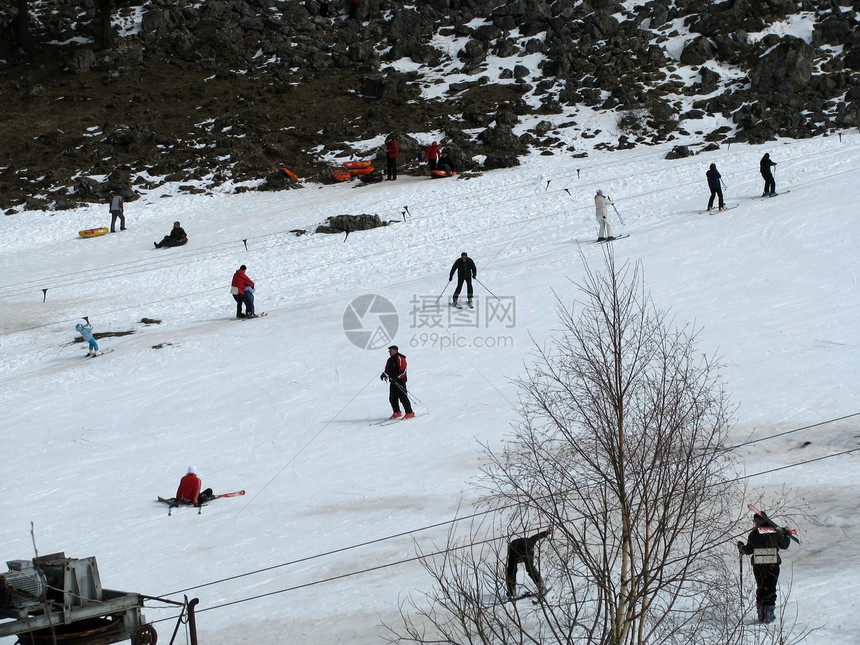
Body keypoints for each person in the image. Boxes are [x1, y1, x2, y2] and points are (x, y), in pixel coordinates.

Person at [737, 511, 791, 623]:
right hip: (772, 564)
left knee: (761, 587)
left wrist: (741, 547)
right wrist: (786, 535)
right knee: (770, 587)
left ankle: (761, 612)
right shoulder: (775, 533)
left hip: (758, 565)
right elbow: (784, 545)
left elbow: (748, 550)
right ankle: (769, 613)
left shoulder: (754, 534)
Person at [505, 529, 552, 600]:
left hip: (527, 549)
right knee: (511, 571)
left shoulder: (529, 546)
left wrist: (547, 532)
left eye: (521, 559)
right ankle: (512, 591)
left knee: (530, 568)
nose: (520, 561)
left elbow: (536, 537)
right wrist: (511, 592)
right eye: (518, 560)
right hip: (515, 547)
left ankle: (541, 586)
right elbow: (510, 573)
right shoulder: (512, 554)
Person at [380, 345, 414, 419]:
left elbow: (403, 370)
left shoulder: (400, 358)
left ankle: (409, 412)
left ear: (395, 350)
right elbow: (387, 369)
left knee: (403, 397)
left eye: (390, 350)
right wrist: (384, 374)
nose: (389, 352)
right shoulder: (390, 360)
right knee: (392, 398)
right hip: (392, 381)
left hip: (400, 381)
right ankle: (397, 412)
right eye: (389, 351)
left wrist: (397, 378)